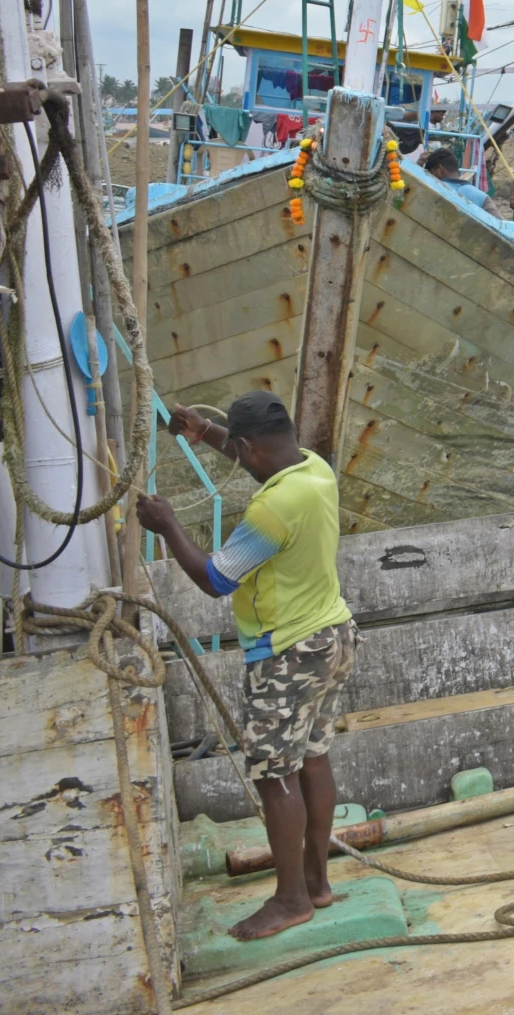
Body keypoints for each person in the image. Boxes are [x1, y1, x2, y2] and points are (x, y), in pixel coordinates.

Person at [136, 392, 355, 943]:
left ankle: (289, 901)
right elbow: (257, 457)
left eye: (238, 446)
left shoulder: (271, 509)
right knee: (313, 758)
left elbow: (214, 580)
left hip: (288, 652)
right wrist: (206, 430)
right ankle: (315, 882)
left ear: (250, 445)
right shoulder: (313, 468)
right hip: (334, 636)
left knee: (276, 775)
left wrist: (166, 526)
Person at [421, 146, 491, 210]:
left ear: (440, 169)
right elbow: (500, 222)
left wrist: (418, 164)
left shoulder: (434, 190)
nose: (431, 178)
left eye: (431, 174)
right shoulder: (483, 197)